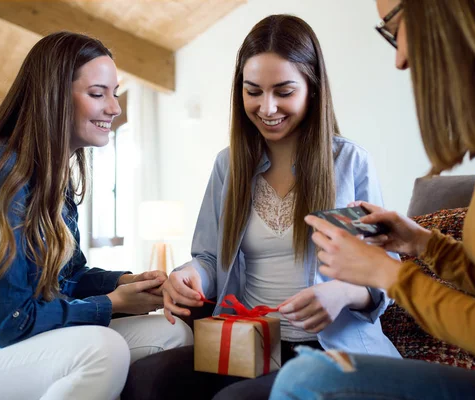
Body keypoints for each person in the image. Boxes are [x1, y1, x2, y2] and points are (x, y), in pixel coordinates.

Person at [122, 14, 399, 400]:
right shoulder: (229, 165)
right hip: (246, 343)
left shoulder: (350, 163)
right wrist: (190, 275)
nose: (267, 108)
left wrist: (342, 293)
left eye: (283, 91)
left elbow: (385, 277)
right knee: (150, 381)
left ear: (313, 89)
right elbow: (207, 257)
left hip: (329, 349)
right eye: (253, 91)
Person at [0, 32, 192, 400]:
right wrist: (113, 303)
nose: (114, 108)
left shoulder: (54, 179)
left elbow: (68, 277)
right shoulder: (2, 174)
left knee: (172, 334)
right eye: (98, 93)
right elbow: (11, 321)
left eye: (115, 92)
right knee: (101, 350)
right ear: (55, 96)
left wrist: (129, 281)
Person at [270, 1, 475, 399]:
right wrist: (422, 244)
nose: (400, 58)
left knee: (307, 380)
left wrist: (390, 275)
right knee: (309, 377)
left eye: (396, 26)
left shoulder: (351, 158)